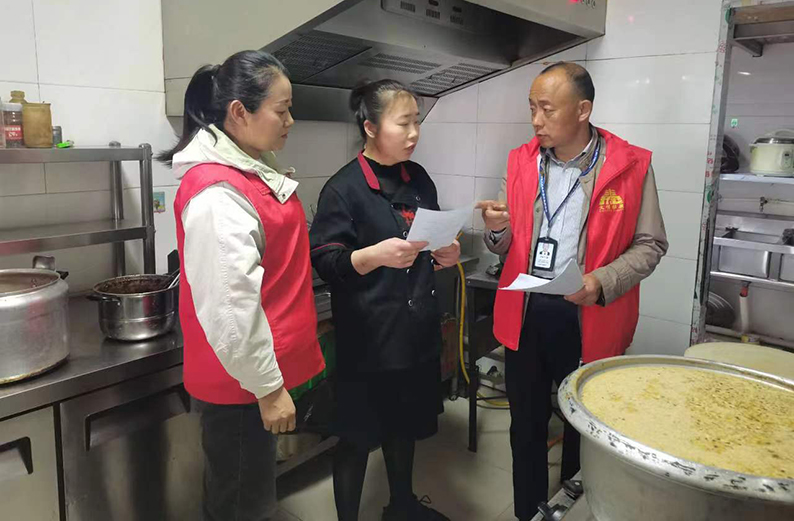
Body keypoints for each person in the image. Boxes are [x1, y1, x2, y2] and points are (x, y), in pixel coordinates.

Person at [477, 62, 668, 520]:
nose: (535, 120)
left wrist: (601, 281)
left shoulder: (630, 165)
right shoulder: (520, 160)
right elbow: (505, 244)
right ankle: (527, 511)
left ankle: (576, 509)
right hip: (526, 310)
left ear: (582, 110)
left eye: (546, 109)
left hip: (588, 314)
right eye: (531, 108)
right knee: (525, 424)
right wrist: (496, 230)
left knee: (584, 425)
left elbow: (651, 245)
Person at [159, 50, 325, 521]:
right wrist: (268, 390)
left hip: (249, 382)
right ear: (239, 112)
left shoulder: (248, 169)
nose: (290, 121)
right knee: (240, 507)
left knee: (244, 497)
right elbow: (230, 310)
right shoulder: (218, 193)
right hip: (241, 389)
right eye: (282, 109)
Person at [309, 79, 459, 521]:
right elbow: (326, 260)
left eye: (417, 122)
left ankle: (402, 506)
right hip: (369, 339)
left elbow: (430, 242)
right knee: (356, 438)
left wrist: (445, 253)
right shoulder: (344, 188)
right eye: (403, 123)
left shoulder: (419, 179)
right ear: (371, 127)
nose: (414, 133)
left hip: (415, 333)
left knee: (403, 426)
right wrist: (372, 256)